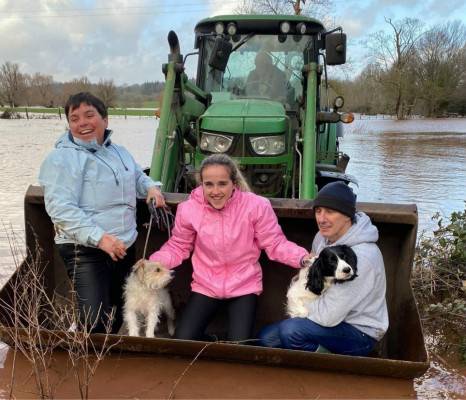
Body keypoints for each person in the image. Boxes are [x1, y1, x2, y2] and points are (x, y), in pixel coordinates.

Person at [39, 92, 165, 334]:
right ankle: (85, 360)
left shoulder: (120, 152)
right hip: (85, 249)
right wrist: (100, 238)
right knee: (94, 321)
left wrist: (151, 187)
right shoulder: (61, 159)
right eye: (74, 118)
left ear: (105, 119)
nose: (82, 123)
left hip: (123, 245)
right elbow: (60, 208)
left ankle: (102, 358)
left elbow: (136, 175)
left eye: (89, 115)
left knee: (118, 313)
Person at [149, 153, 309, 342]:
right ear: (201, 184)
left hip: (244, 285)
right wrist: (154, 262)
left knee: (239, 346)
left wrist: (303, 257)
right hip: (206, 285)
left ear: (234, 183)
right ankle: (215, 341)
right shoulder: (189, 209)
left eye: (222, 184)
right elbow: (178, 245)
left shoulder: (256, 206)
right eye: (209, 184)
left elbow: (275, 243)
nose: (215, 191)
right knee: (183, 339)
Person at [258, 181, 388, 356]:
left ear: (347, 215)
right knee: (267, 339)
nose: (322, 219)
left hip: (359, 332)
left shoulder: (362, 258)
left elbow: (328, 316)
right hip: (329, 315)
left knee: (291, 332)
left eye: (330, 212)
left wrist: (299, 305)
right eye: (318, 211)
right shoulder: (322, 238)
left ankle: (334, 363)